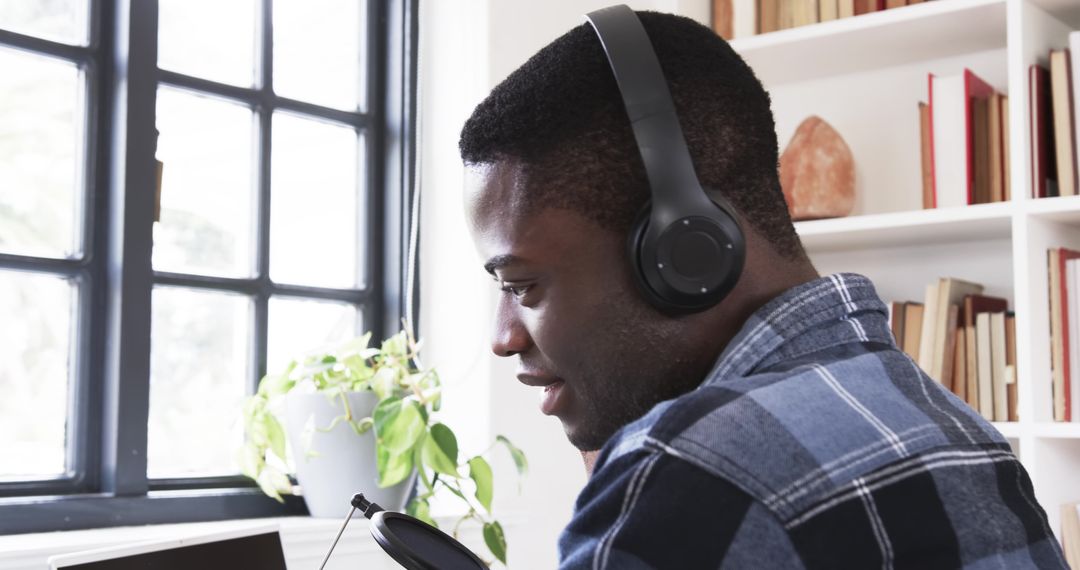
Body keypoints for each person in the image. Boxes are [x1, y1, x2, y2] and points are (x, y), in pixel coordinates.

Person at [458, 8, 1066, 569]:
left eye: (522, 285)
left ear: (682, 252)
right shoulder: (958, 426)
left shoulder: (690, 473)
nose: (503, 338)